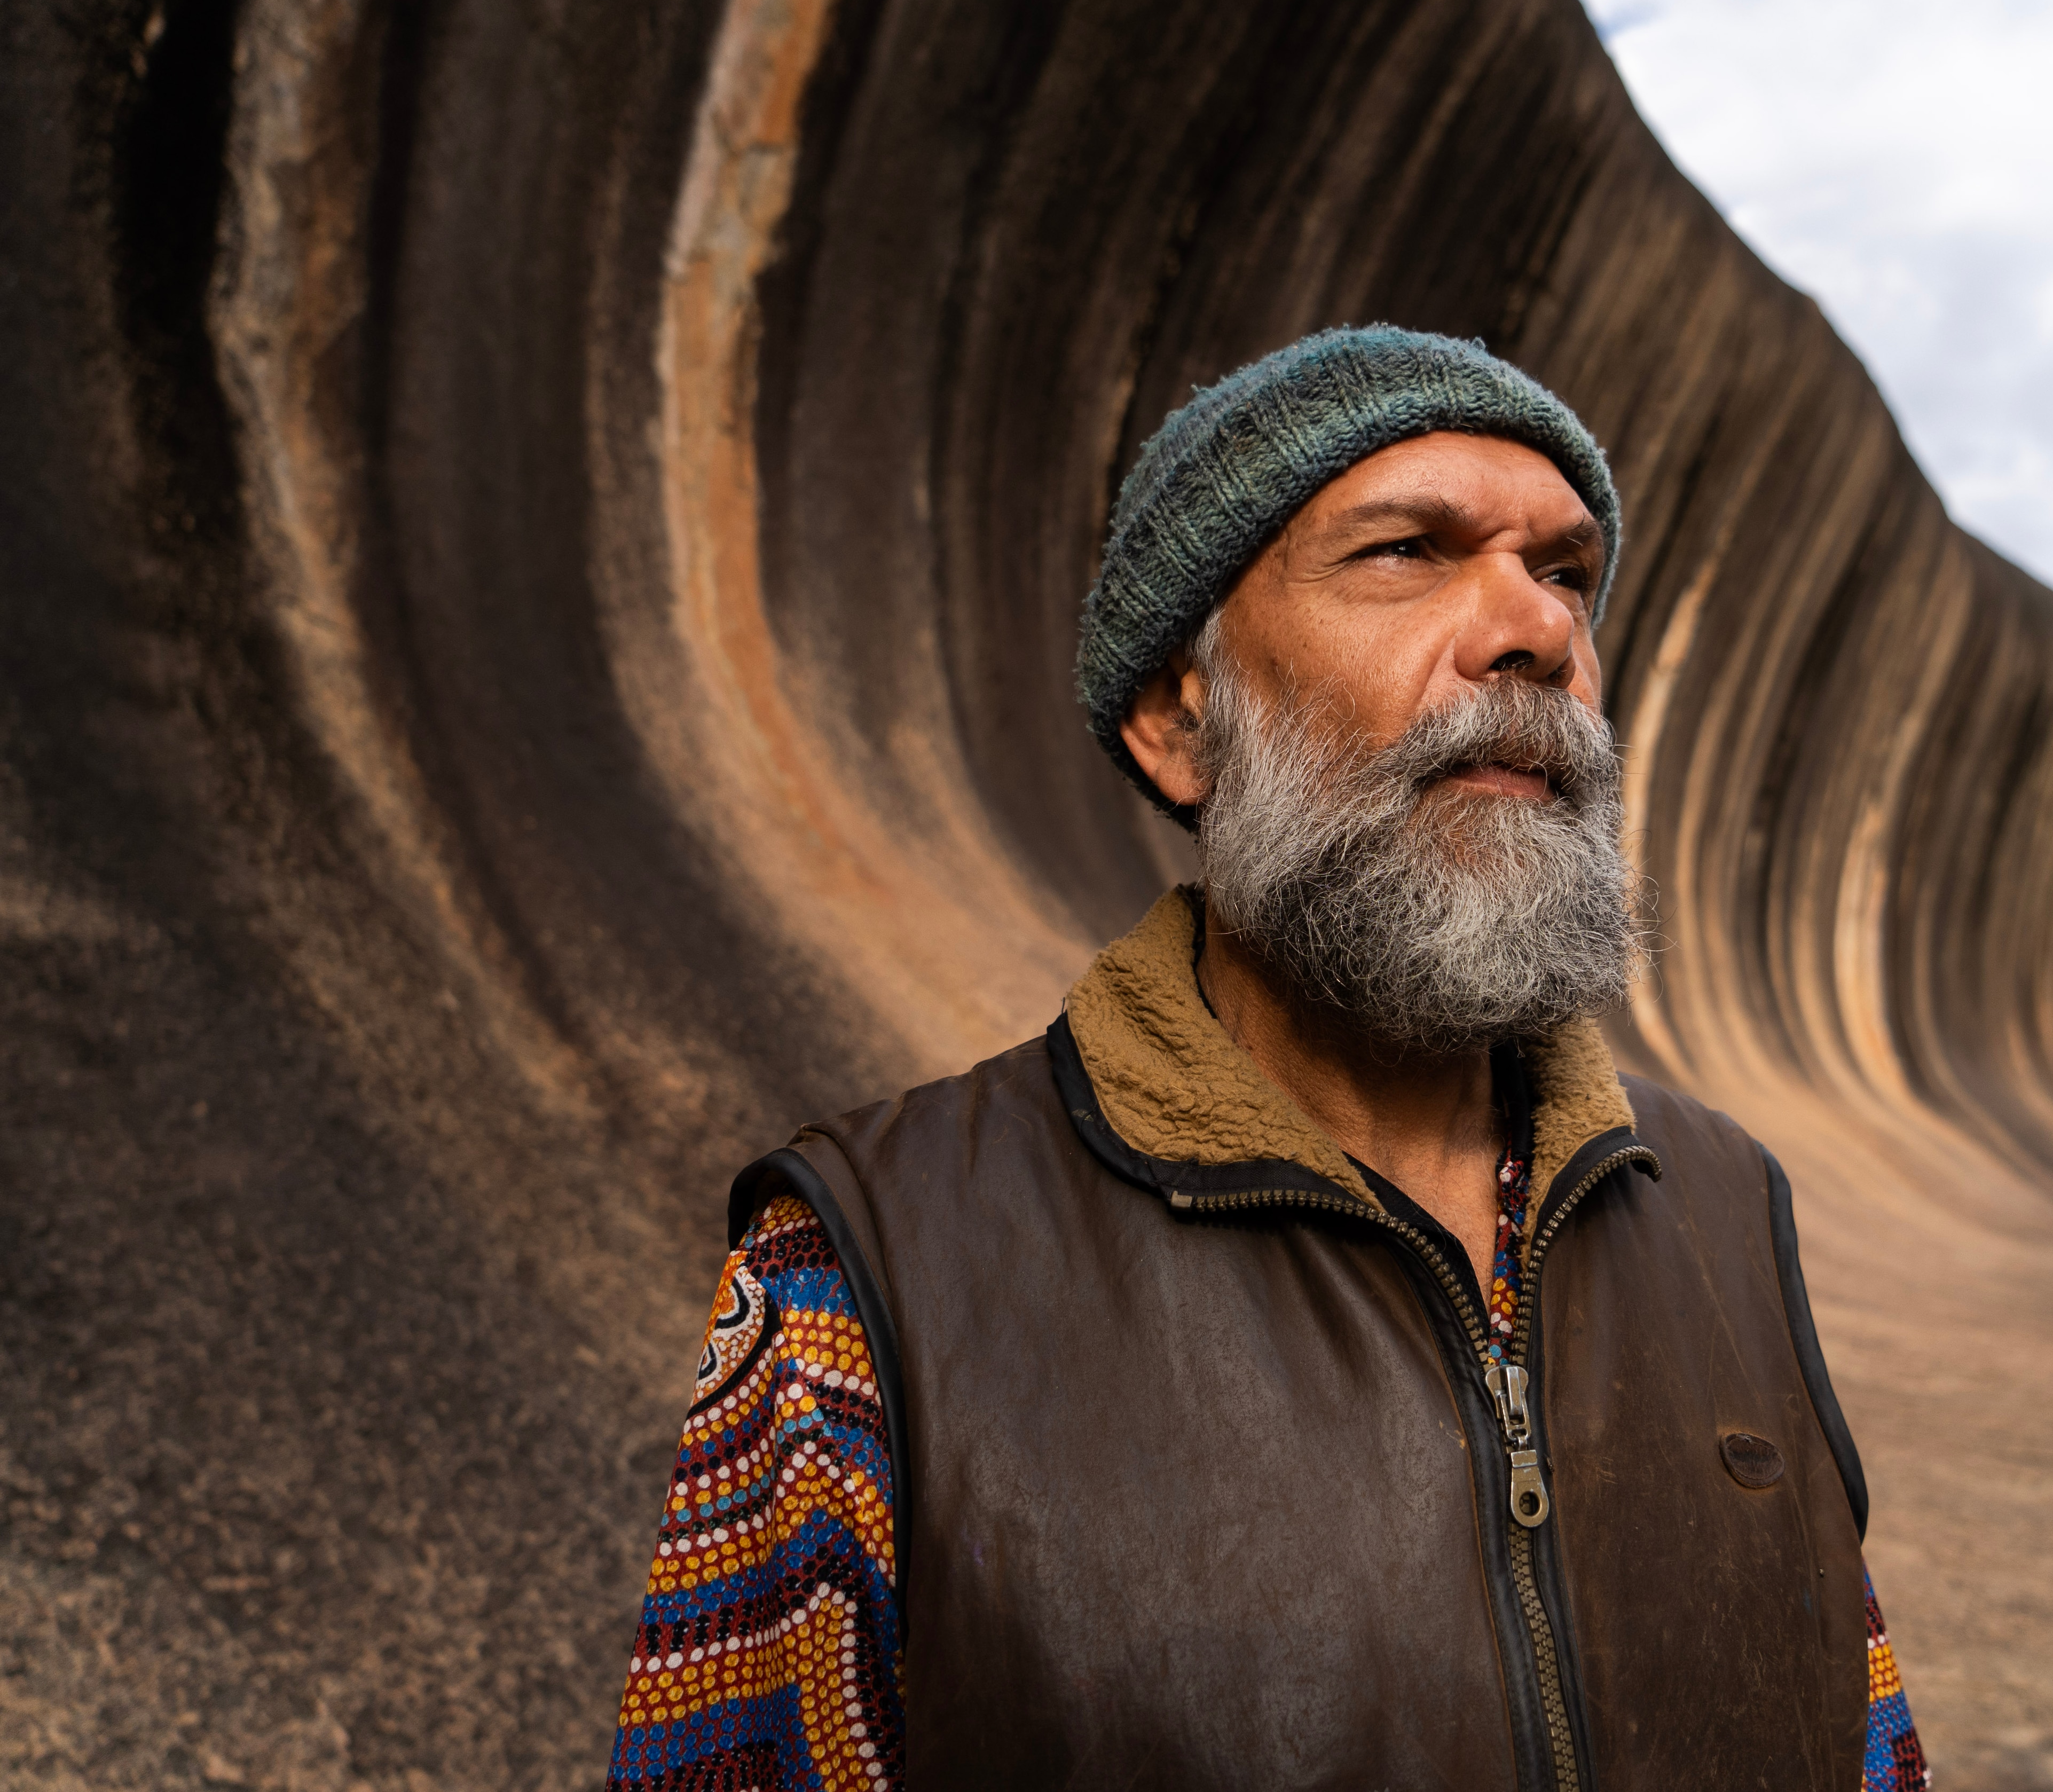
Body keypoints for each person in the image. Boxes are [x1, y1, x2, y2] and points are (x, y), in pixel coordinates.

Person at [605, 326, 1932, 1790]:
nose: (1537, 631)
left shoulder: (1726, 1211)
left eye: (1565, 572)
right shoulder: (870, 1269)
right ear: (1182, 720)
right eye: (1406, 552)